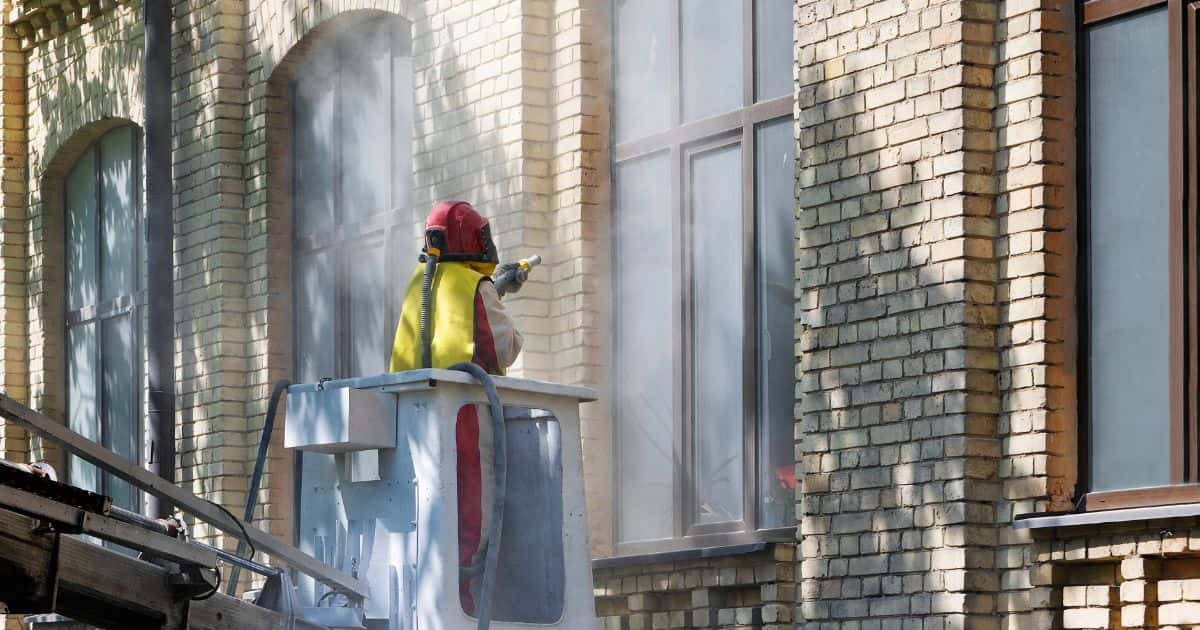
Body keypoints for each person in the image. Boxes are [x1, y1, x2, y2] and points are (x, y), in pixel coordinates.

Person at [389, 200, 526, 613]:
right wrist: (494, 294)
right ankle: (466, 607)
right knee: (473, 515)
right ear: (473, 238)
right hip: (464, 416)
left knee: (427, 516)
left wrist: (492, 291)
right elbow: (503, 346)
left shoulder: (418, 283)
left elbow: (441, 328)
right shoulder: (474, 286)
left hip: (411, 418)